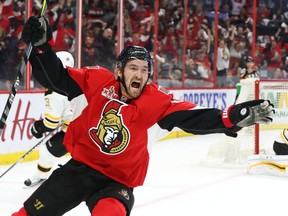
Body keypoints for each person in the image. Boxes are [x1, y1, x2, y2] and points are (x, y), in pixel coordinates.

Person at [12, 16, 274, 216]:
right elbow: (57, 78)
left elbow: (193, 118)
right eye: (133, 68)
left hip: (115, 183)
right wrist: (42, 47)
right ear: (119, 70)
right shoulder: (98, 81)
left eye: (144, 69)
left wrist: (232, 116)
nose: (139, 74)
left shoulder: (156, 100)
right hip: (77, 171)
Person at [24, 51, 75, 187]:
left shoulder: (56, 91)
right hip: (92, 128)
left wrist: (38, 127)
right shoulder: (76, 81)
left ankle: (42, 176)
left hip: (76, 132)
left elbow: (51, 123)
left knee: (46, 150)